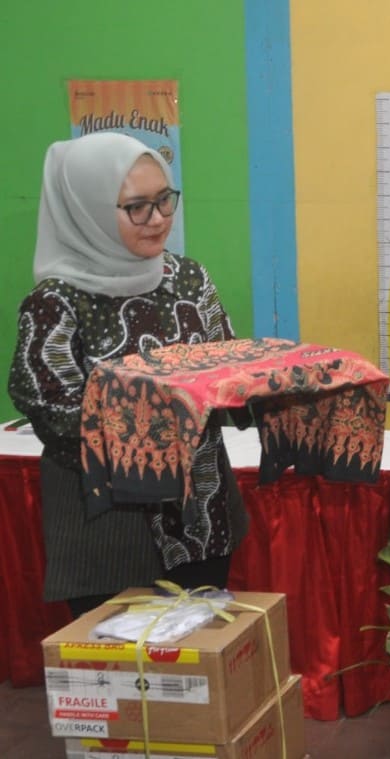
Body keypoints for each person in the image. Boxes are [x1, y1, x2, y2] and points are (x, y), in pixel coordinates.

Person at [8, 132, 247, 618]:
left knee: (203, 655)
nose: (157, 219)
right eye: (136, 207)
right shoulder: (56, 303)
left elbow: (227, 368)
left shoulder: (188, 279)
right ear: (87, 211)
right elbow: (57, 417)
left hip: (200, 517)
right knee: (120, 659)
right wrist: (168, 411)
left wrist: (277, 381)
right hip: (110, 531)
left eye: (164, 200)